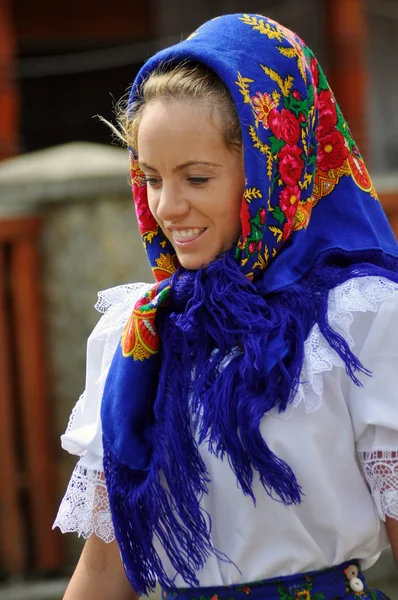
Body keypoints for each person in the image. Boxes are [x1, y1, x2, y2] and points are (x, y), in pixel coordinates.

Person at [54, 13, 398, 600]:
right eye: (152, 177)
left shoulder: (359, 319)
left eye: (196, 178)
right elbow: (105, 569)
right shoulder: (138, 333)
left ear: (268, 172)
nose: (167, 207)